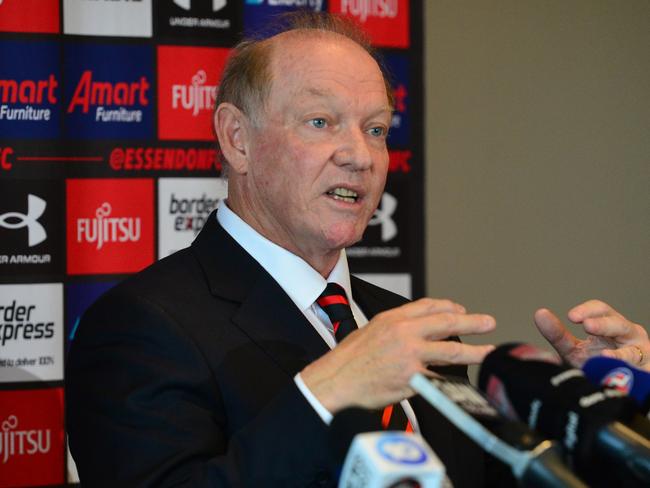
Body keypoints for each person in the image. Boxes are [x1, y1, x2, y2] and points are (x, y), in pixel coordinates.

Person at [66, 12, 649, 487]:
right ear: (237, 139)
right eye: (321, 122)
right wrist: (327, 392)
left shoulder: (407, 327)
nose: (361, 156)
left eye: (376, 129)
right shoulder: (141, 325)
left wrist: (595, 415)